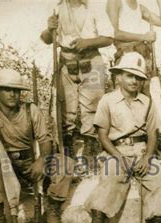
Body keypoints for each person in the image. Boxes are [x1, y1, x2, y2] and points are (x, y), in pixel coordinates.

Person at [0, 69, 75, 223]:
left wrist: (41, 160)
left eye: (16, 90)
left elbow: (45, 140)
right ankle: (0, 221)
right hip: (2, 162)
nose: (13, 94)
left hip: (29, 162)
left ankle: (52, 213)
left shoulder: (31, 110)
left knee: (65, 163)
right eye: (7, 90)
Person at [83, 52, 161, 223]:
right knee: (111, 180)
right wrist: (118, 156)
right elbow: (102, 135)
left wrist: (147, 157)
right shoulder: (107, 100)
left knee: (158, 184)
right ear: (119, 77)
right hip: (117, 150)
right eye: (130, 76)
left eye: (139, 78)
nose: (134, 81)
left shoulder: (148, 102)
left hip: (141, 151)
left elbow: (152, 134)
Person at [41, 0, 114, 155]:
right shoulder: (56, 7)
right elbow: (47, 38)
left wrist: (88, 42)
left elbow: (108, 38)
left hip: (91, 61)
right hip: (66, 62)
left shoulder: (95, 6)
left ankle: (91, 151)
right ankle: (65, 152)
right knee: (65, 107)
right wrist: (49, 28)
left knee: (93, 107)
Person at [107, 0, 161, 70]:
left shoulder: (140, 8)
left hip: (142, 54)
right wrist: (144, 37)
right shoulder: (115, 2)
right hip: (125, 56)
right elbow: (114, 33)